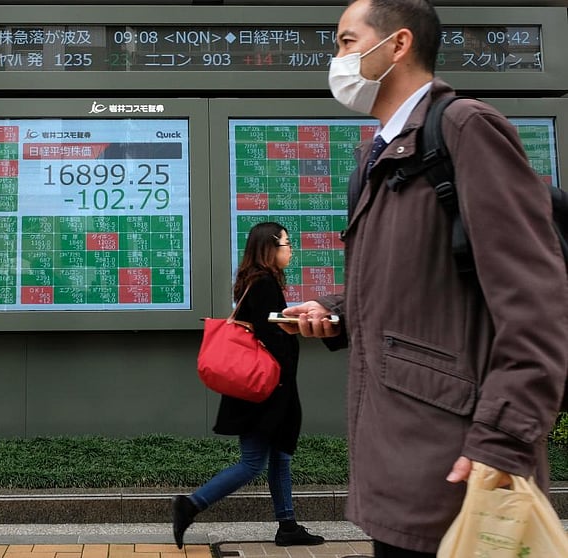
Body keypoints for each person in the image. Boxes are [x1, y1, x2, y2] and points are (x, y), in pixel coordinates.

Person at [279, 1, 568, 556]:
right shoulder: (377, 153)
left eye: (345, 41)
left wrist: (504, 439)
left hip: (457, 464)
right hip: (399, 455)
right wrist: (335, 312)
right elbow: (415, 283)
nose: (336, 59)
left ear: (398, 45)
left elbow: (537, 299)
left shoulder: (464, 129)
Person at [171, 222, 325, 549]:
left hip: (266, 389)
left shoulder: (253, 281)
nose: (290, 249)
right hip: (266, 391)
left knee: (280, 457)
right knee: (253, 463)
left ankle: (287, 525)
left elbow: (268, 328)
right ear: (270, 248)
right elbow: (273, 338)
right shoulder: (264, 283)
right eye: (286, 243)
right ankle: (191, 504)